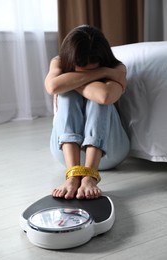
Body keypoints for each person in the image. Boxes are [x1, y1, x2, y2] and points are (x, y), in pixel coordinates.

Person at [45, 25, 130, 200]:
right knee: (66, 95)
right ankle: (73, 176)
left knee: (95, 99)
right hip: (66, 155)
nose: (88, 73)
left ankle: (90, 175)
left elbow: (105, 96)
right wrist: (103, 74)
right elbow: (53, 86)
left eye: (94, 69)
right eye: (81, 71)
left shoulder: (117, 67)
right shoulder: (59, 62)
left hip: (110, 152)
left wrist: (70, 80)